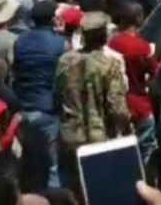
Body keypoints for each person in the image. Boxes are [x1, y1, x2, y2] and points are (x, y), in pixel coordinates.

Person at [55, 11, 130, 195]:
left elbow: (57, 93)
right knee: (102, 189)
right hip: (100, 135)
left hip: (71, 133)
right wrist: (126, 125)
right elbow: (116, 107)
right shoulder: (109, 64)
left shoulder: (65, 60)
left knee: (77, 188)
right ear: (104, 36)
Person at [13, 0, 65, 191]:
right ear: (53, 19)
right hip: (47, 109)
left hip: (23, 108)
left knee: (30, 165)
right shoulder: (59, 43)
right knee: (53, 167)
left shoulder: (21, 40)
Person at [107, 3, 159, 172]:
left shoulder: (110, 44)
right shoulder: (142, 47)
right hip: (140, 104)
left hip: (117, 103)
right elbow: (155, 73)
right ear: (138, 19)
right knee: (147, 148)